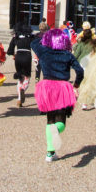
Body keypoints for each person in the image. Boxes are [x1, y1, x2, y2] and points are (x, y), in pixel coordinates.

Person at [31, 28, 84, 162]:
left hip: (47, 86)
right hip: (62, 87)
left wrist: (43, 35)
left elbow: (33, 42)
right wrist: (76, 85)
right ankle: (52, 146)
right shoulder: (67, 55)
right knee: (61, 122)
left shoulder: (43, 51)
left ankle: (50, 152)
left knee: (50, 119)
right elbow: (80, 71)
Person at [7, 23, 34, 107]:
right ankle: (23, 89)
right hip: (27, 56)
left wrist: (13, 54)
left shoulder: (16, 37)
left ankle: (19, 99)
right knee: (27, 77)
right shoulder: (30, 37)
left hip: (18, 56)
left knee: (20, 78)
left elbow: (10, 50)